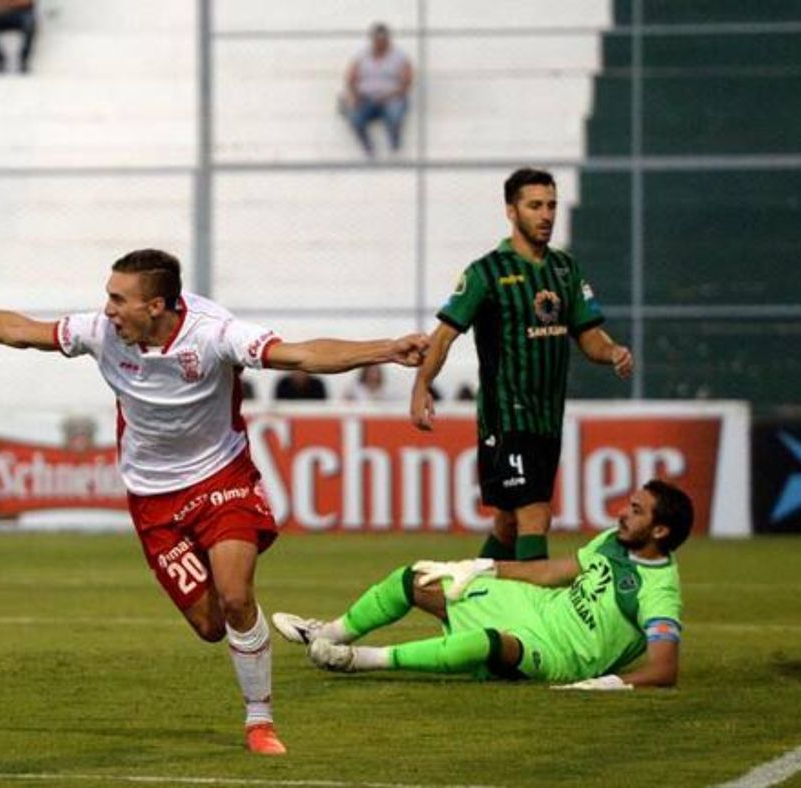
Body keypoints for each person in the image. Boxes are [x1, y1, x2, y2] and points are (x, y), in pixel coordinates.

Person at [0, 249, 427, 754]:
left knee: (237, 596)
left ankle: (259, 721)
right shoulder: (102, 332)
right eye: (107, 297)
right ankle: (260, 637)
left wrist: (384, 348)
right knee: (210, 625)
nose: (106, 309)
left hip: (222, 478)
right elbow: (22, 332)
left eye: (117, 298)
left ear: (155, 305)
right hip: (153, 498)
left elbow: (301, 355)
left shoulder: (214, 333)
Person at [272, 479, 692, 690]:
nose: (622, 513)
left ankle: (355, 660)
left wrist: (608, 683)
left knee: (485, 642)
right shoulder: (612, 542)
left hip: (561, 654)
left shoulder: (659, 592)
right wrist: (482, 566)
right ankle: (325, 633)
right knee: (415, 579)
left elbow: (665, 669)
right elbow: (550, 572)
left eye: (636, 511)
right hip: (535, 608)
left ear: (659, 532)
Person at [411, 168, 633, 562]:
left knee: (508, 525)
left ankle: (465, 598)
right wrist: (421, 386)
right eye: (535, 206)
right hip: (507, 418)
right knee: (535, 515)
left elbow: (588, 335)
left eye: (550, 205)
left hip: (547, 419)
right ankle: (538, 615)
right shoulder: (486, 273)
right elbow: (444, 336)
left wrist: (612, 350)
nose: (545, 214)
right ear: (511, 211)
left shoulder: (566, 270)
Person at [342, 23, 413, 157]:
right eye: (377, 39)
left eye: (383, 39)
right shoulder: (361, 56)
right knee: (355, 119)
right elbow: (350, 78)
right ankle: (368, 148)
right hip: (366, 98)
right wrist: (354, 96)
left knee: (395, 117)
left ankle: (394, 145)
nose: (380, 42)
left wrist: (390, 95)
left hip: (392, 97)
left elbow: (407, 82)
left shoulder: (400, 57)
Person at [0, 0, 37, 74]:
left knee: (30, 22)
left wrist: (5, 4)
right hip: (1, 15)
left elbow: (27, 3)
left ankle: (23, 60)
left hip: (22, 14)